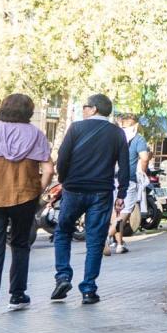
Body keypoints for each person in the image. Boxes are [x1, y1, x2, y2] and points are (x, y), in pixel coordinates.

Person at [0, 94, 54, 319]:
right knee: (20, 244)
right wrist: (38, 192)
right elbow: (48, 170)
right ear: (28, 111)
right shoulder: (37, 135)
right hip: (25, 197)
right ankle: (17, 296)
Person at [51, 94, 129, 305]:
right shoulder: (117, 133)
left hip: (73, 189)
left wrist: (65, 180)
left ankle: (63, 276)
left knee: (63, 232)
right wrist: (121, 194)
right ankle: (88, 289)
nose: (83, 110)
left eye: (85, 106)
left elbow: (63, 158)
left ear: (93, 109)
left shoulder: (76, 128)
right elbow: (124, 166)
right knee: (95, 240)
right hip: (102, 193)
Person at [107, 113, 150, 256]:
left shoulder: (114, 138)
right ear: (136, 125)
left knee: (116, 213)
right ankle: (104, 238)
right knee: (124, 214)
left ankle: (119, 244)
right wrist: (143, 172)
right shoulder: (138, 139)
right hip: (129, 180)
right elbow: (144, 157)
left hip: (112, 179)